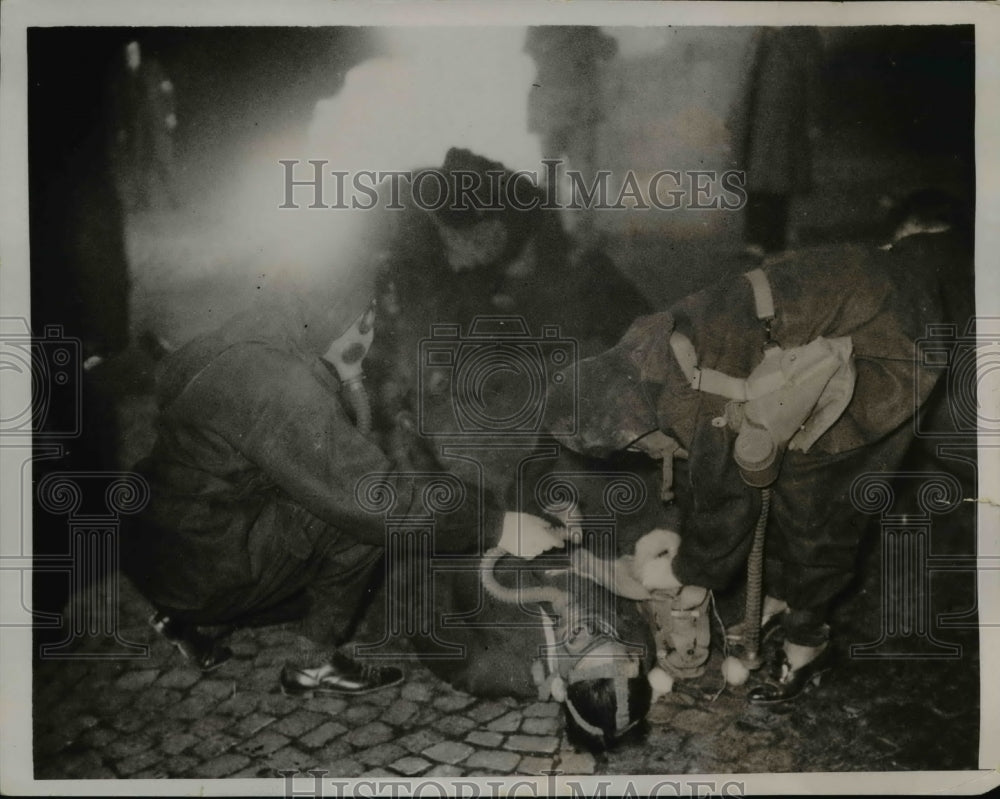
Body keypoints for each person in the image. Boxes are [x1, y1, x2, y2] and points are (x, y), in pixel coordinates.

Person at [541, 225, 969, 704]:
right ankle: (784, 595)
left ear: (628, 428)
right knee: (779, 469)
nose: (636, 454)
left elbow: (728, 501)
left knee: (818, 503)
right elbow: (700, 459)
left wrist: (684, 569)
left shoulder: (688, 401)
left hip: (887, 339)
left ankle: (807, 644)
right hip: (850, 288)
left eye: (630, 448)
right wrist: (682, 536)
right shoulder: (645, 350)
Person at [120, 243, 560, 694]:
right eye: (366, 318)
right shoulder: (280, 387)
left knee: (321, 490)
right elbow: (376, 497)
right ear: (336, 311)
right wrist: (496, 524)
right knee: (359, 518)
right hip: (201, 571)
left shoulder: (244, 341)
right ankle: (312, 663)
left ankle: (188, 619)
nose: (369, 332)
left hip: (157, 546)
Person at [729, 27, 824, 258]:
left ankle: (774, 239)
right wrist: (737, 115)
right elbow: (747, 78)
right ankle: (754, 240)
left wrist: (813, 119)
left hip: (785, 120)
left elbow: (813, 81)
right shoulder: (762, 35)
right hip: (757, 118)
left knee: (780, 180)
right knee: (755, 179)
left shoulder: (803, 35)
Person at [111, 39, 178, 210]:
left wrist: (170, 113)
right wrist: (121, 128)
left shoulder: (153, 67)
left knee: (164, 160)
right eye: (128, 52)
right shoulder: (124, 76)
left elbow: (168, 89)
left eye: (134, 51)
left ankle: (174, 199)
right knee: (139, 163)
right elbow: (120, 104)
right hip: (137, 128)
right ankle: (143, 201)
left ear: (139, 51)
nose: (131, 55)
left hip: (157, 122)